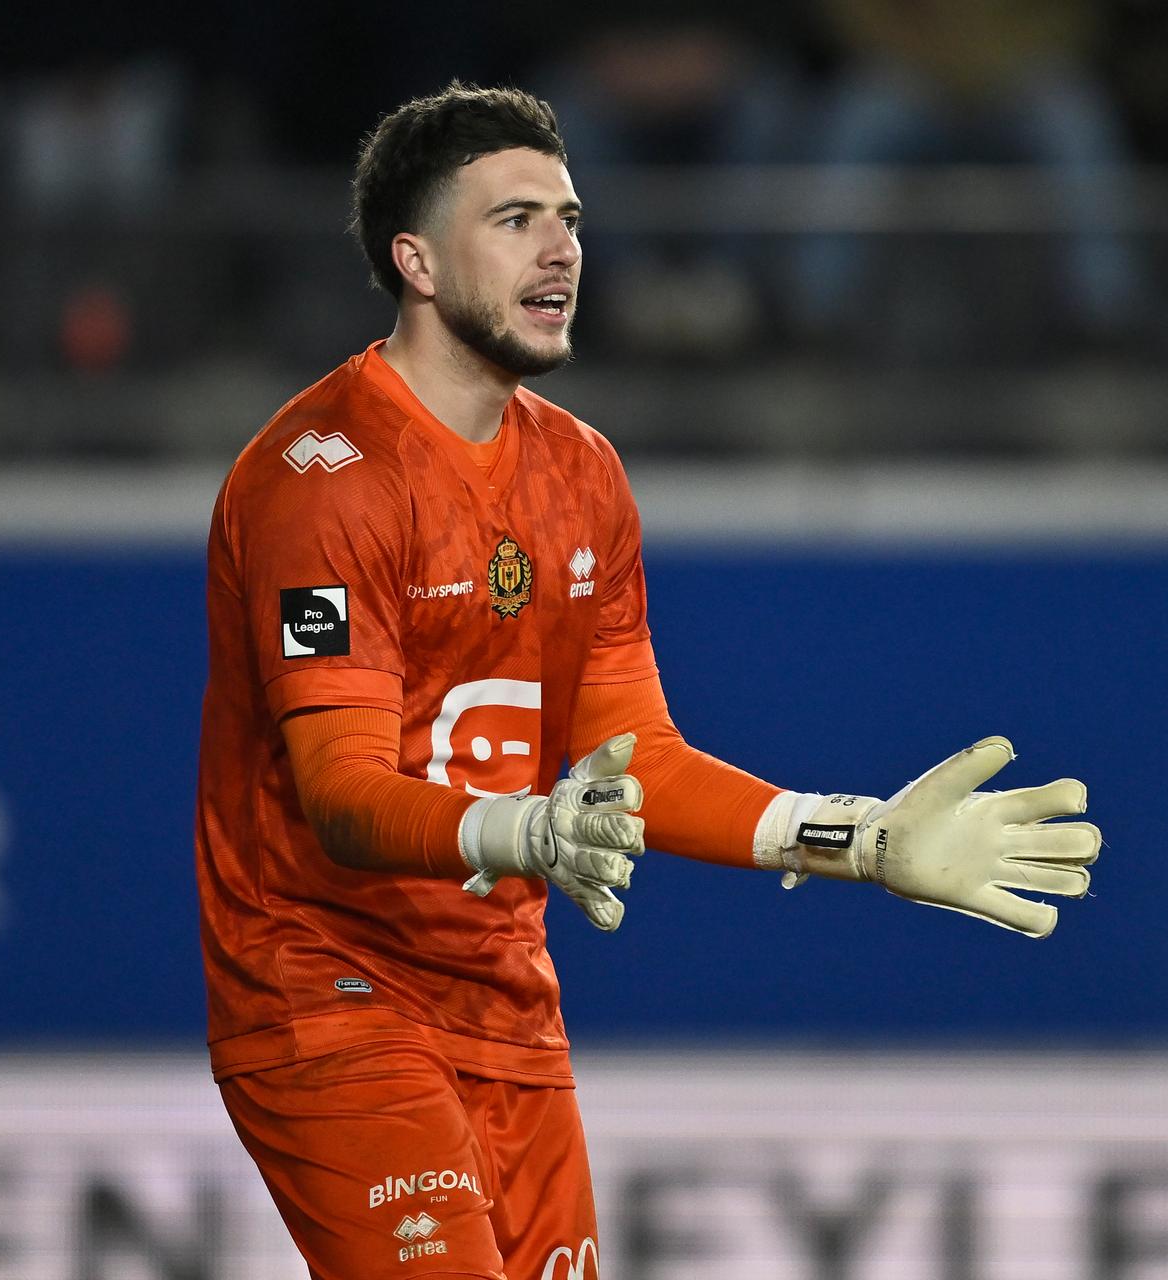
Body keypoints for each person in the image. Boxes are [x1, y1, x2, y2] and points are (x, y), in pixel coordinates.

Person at [193, 81, 1103, 1280]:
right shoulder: (325, 478)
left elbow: (640, 762)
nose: (563, 247)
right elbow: (343, 794)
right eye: (515, 220)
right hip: (330, 988)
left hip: (506, 1002)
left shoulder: (581, 475)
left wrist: (861, 838)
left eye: (569, 218)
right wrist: (526, 826)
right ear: (415, 259)